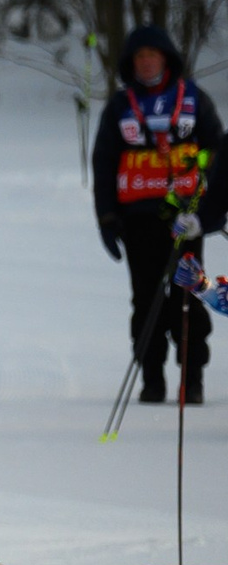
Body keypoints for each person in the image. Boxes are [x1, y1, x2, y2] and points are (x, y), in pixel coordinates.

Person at [94, 25, 220, 405]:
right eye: (139, 57)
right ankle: (152, 378)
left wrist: (206, 202)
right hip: (137, 219)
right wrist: (106, 217)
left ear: (166, 59)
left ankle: (192, 377)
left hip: (185, 218)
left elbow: (215, 153)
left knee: (188, 294)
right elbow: (104, 163)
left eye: (153, 55)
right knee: (146, 299)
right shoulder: (119, 106)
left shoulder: (195, 100)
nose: (146, 62)